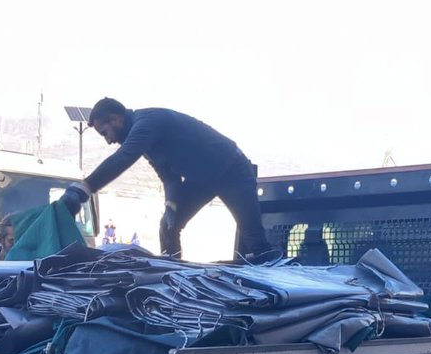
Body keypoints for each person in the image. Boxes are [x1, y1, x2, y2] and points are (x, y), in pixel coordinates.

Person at [59, 97, 278, 264]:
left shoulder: (149, 121)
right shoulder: (147, 140)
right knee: (168, 227)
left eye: (104, 132)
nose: (108, 141)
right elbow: (169, 177)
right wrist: (171, 206)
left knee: (255, 241)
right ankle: (173, 280)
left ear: (116, 119)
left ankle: (277, 286)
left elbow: (124, 157)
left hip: (232, 170)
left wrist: (84, 188)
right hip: (201, 179)